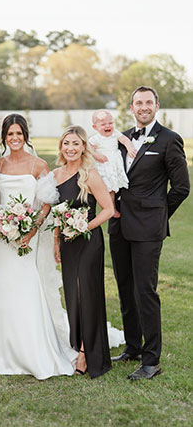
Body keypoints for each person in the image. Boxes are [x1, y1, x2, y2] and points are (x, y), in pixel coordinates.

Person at [0, 114, 77, 379]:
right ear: (4, 137)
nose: (14, 139)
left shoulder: (38, 164)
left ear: (25, 135)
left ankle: (31, 349)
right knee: (1, 285)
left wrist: (31, 229)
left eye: (18, 134)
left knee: (25, 285)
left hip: (27, 238)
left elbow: (47, 202)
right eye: (10, 135)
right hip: (2, 239)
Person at [109, 86, 190, 380]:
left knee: (145, 291)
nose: (143, 106)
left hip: (148, 228)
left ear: (157, 105)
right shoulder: (123, 139)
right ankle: (132, 347)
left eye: (148, 102)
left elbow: (181, 187)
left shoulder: (170, 140)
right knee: (125, 288)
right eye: (138, 102)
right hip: (118, 225)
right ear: (132, 107)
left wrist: (158, 213)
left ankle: (151, 360)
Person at [53, 125, 114, 379]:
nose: (71, 148)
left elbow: (108, 209)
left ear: (83, 147)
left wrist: (82, 227)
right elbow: (56, 213)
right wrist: (56, 241)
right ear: (61, 147)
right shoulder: (55, 175)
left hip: (88, 242)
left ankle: (86, 352)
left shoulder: (89, 175)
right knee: (72, 295)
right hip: (67, 243)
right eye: (67, 143)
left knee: (86, 293)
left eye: (76, 143)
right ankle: (79, 343)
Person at [89, 110, 137, 217]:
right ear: (95, 127)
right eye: (103, 124)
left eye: (110, 123)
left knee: (112, 189)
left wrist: (130, 148)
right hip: (103, 166)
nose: (108, 126)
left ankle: (112, 209)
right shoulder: (95, 139)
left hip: (114, 166)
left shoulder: (115, 133)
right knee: (104, 188)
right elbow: (88, 150)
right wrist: (96, 155)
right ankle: (108, 208)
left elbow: (125, 140)